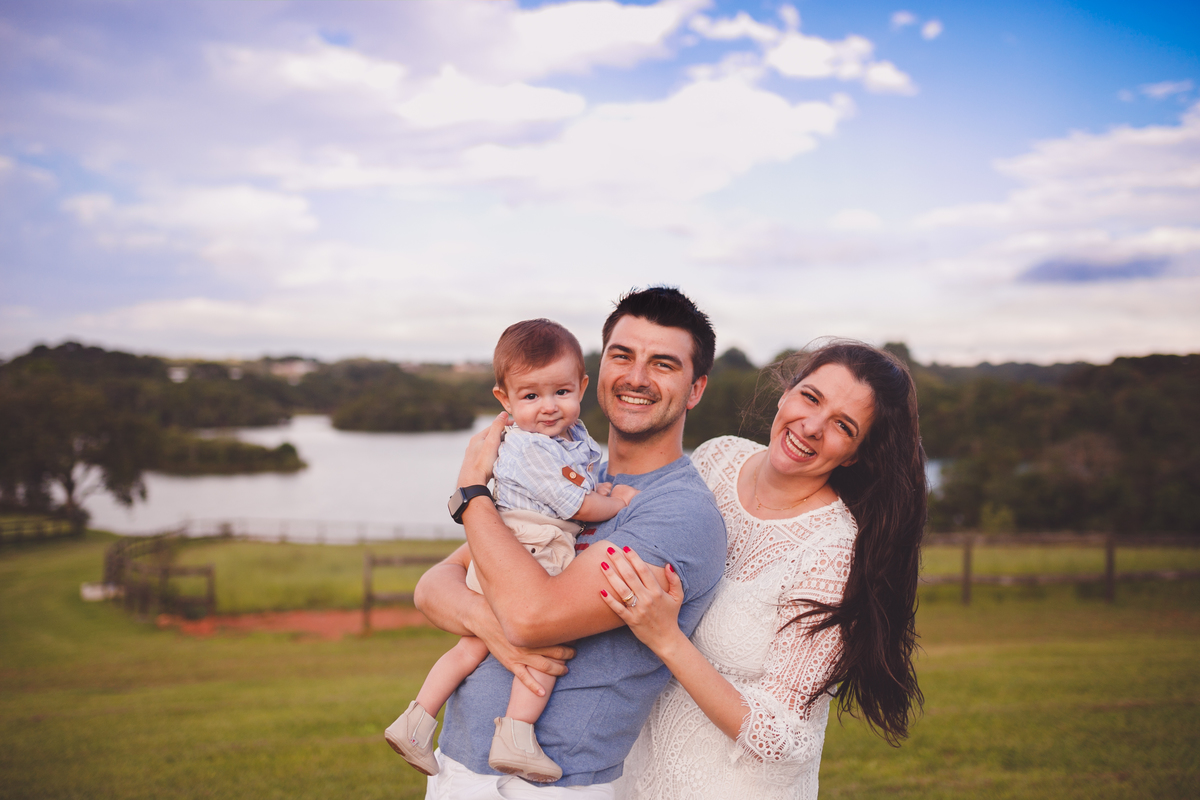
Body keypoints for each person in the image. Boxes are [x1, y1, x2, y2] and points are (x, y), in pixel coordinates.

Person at [413, 287, 729, 797]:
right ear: (597, 373)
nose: (636, 377)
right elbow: (432, 587)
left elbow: (531, 618)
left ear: (695, 389)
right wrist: (487, 623)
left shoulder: (678, 512)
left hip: (555, 783)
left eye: (663, 364)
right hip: (458, 767)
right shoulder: (570, 482)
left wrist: (473, 493)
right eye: (622, 356)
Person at [597, 341, 926, 799]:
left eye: (842, 426)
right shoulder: (716, 458)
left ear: (854, 454)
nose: (811, 426)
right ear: (786, 393)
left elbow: (780, 736)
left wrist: (666, 639)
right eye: (810, 397)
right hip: (634, 775)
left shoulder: (833, 552)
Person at [385, 319, 638, 783]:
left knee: (472, 645)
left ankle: (415, 721)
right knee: (547, 641)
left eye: (561, 392)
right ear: (505, 399)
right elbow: (575, 505)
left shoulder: (570, 437)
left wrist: (595, 486)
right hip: (531, 544)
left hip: (504, 541)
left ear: (582, 386)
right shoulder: (529, 447)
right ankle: (516, 736)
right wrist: (615, 501)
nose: (548, 406)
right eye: (531, 396)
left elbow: (576, 483)